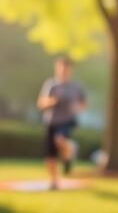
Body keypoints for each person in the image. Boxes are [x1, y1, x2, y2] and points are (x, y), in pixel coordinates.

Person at [37, 56, 86, 190]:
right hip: (51, 122)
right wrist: (51, 101)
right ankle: (55, 182)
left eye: (66, 68)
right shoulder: (51, 84)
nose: (64, 71)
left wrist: (77, 107)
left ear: (70, 70)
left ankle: (69, 156)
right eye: (61, 68)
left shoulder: (76, 87)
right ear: (57, 69)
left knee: (60, 139)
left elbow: (84, 104)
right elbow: (41, 103)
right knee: (50, 156)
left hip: (68, 121)